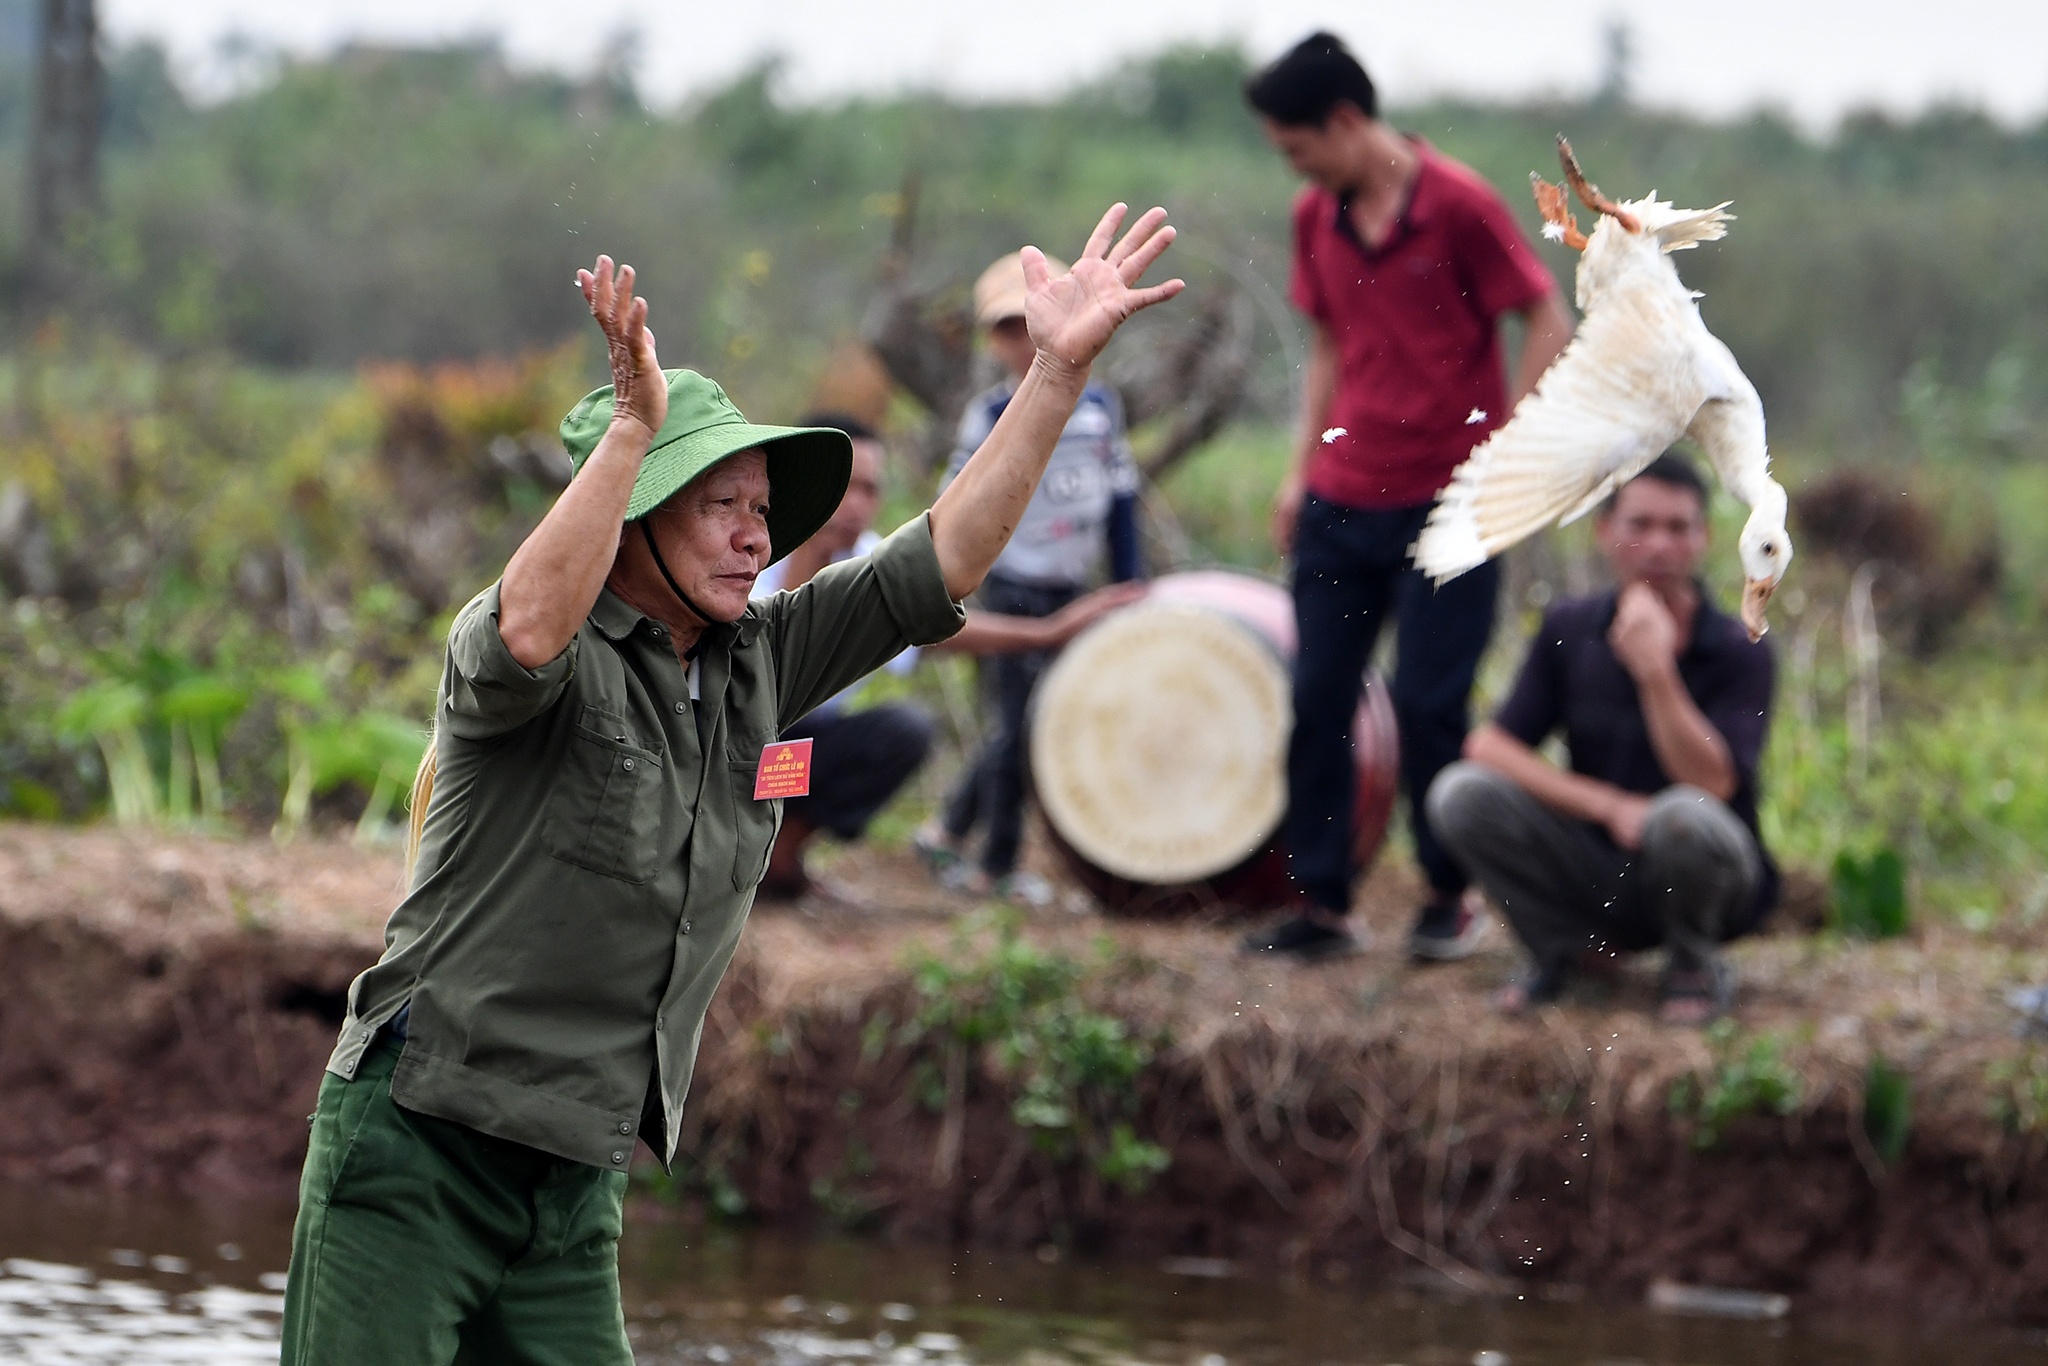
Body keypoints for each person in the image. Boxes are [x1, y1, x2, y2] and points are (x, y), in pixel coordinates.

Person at [280, 204, 1182, 1364]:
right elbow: (524, 629)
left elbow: (943, 556)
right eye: (720, 506)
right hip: (417, 1144)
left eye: (761, 511)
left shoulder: (762, 659)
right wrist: (630, 435)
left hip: (572, 1179)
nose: (754, 538)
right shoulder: (538, 657)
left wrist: (1053, 376)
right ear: (636, 519)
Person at [1239, 32, 1576, 963]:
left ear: (1346, 120)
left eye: (1299, 145)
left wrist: (1514, 450)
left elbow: (1546, 312)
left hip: (1451, 503)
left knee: (1432, 705)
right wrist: (1298, 471)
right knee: (1317, 699)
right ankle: (1323, 905)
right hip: (1342, 500)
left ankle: (1446, 893)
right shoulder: (1318, 218)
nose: (1295, 166)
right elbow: (1328, 348)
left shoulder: (1461, 204)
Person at [1426, 452, 1779, 1025]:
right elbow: (1490, 748)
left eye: (1678, 527)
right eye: (1640, 525)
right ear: (1605, 532)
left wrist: (1657, 674)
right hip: (1600, 864)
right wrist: (1608, 806)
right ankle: (1563, 951)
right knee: (1460, 793)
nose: (1659, 545)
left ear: (1705, 538)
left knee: (1680, 816)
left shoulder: (1742, 644)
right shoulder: (1570, 627)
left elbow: (1714, 782)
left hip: (1709, 871)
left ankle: (1693, 963)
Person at [753, 412, 1144, 903]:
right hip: (734, 748)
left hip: (794, 753)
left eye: (870, 490)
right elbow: (775, 659)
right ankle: (743, 859)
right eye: (844, 486)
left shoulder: (870, 560)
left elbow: (936, 625)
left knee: (901, 731)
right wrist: (811, 550)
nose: (856, 506)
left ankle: (780, 857)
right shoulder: (749, 553)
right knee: (771, 739)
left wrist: (1046, 633)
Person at [914, 250, 1146, 904]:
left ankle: (949, 828)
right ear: (994, 341)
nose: (1023, 339)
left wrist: (1130, 581)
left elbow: (1121, 495)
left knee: (1037, 721)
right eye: (1008, 328)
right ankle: (996, 861)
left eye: (1029, 322)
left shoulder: (1099, 407)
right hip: (1012, 582)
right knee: (1020, 726)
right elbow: (958, 500)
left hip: (1069, 583)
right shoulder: (988, 417)